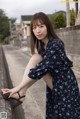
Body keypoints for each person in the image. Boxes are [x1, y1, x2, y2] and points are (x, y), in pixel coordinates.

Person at [1, 12, 80, 119]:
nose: (38, 31)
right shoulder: (43, 46)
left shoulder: (56, 44)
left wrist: (17, 88)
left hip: (65, 86)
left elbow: (40, 70)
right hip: (54, 84)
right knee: (36, 58)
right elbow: (40, 69)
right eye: (34, 27)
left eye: (41, 26)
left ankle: (21, 93)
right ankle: (21, 93)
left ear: (48, 27)